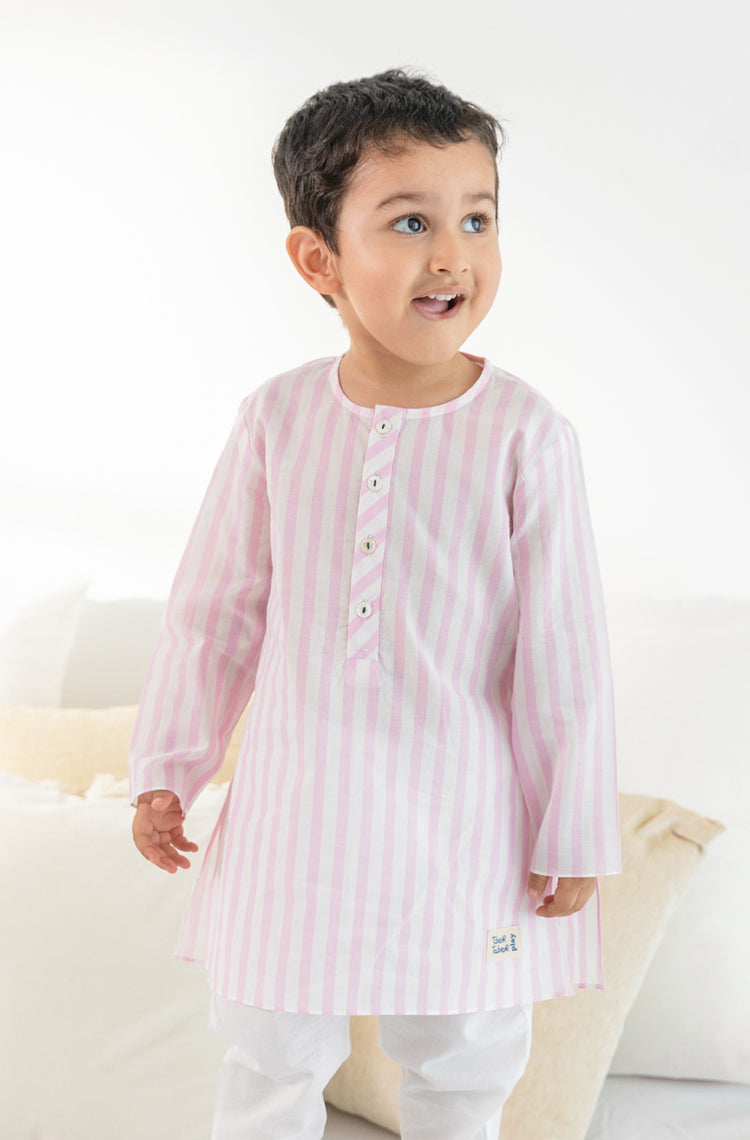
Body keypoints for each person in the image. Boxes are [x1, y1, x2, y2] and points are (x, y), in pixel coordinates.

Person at [129, 68, 621, 1140]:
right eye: (410, 222)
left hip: (463, 823)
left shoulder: (527, 434)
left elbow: (564, 651)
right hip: (295, 818)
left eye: (478, 219)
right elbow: (215, 613)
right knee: (268, 1050)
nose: (453, 256)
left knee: (463, 1056)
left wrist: (575, 819)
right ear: (320, 259)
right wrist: (169, 767)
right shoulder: (275, 419)